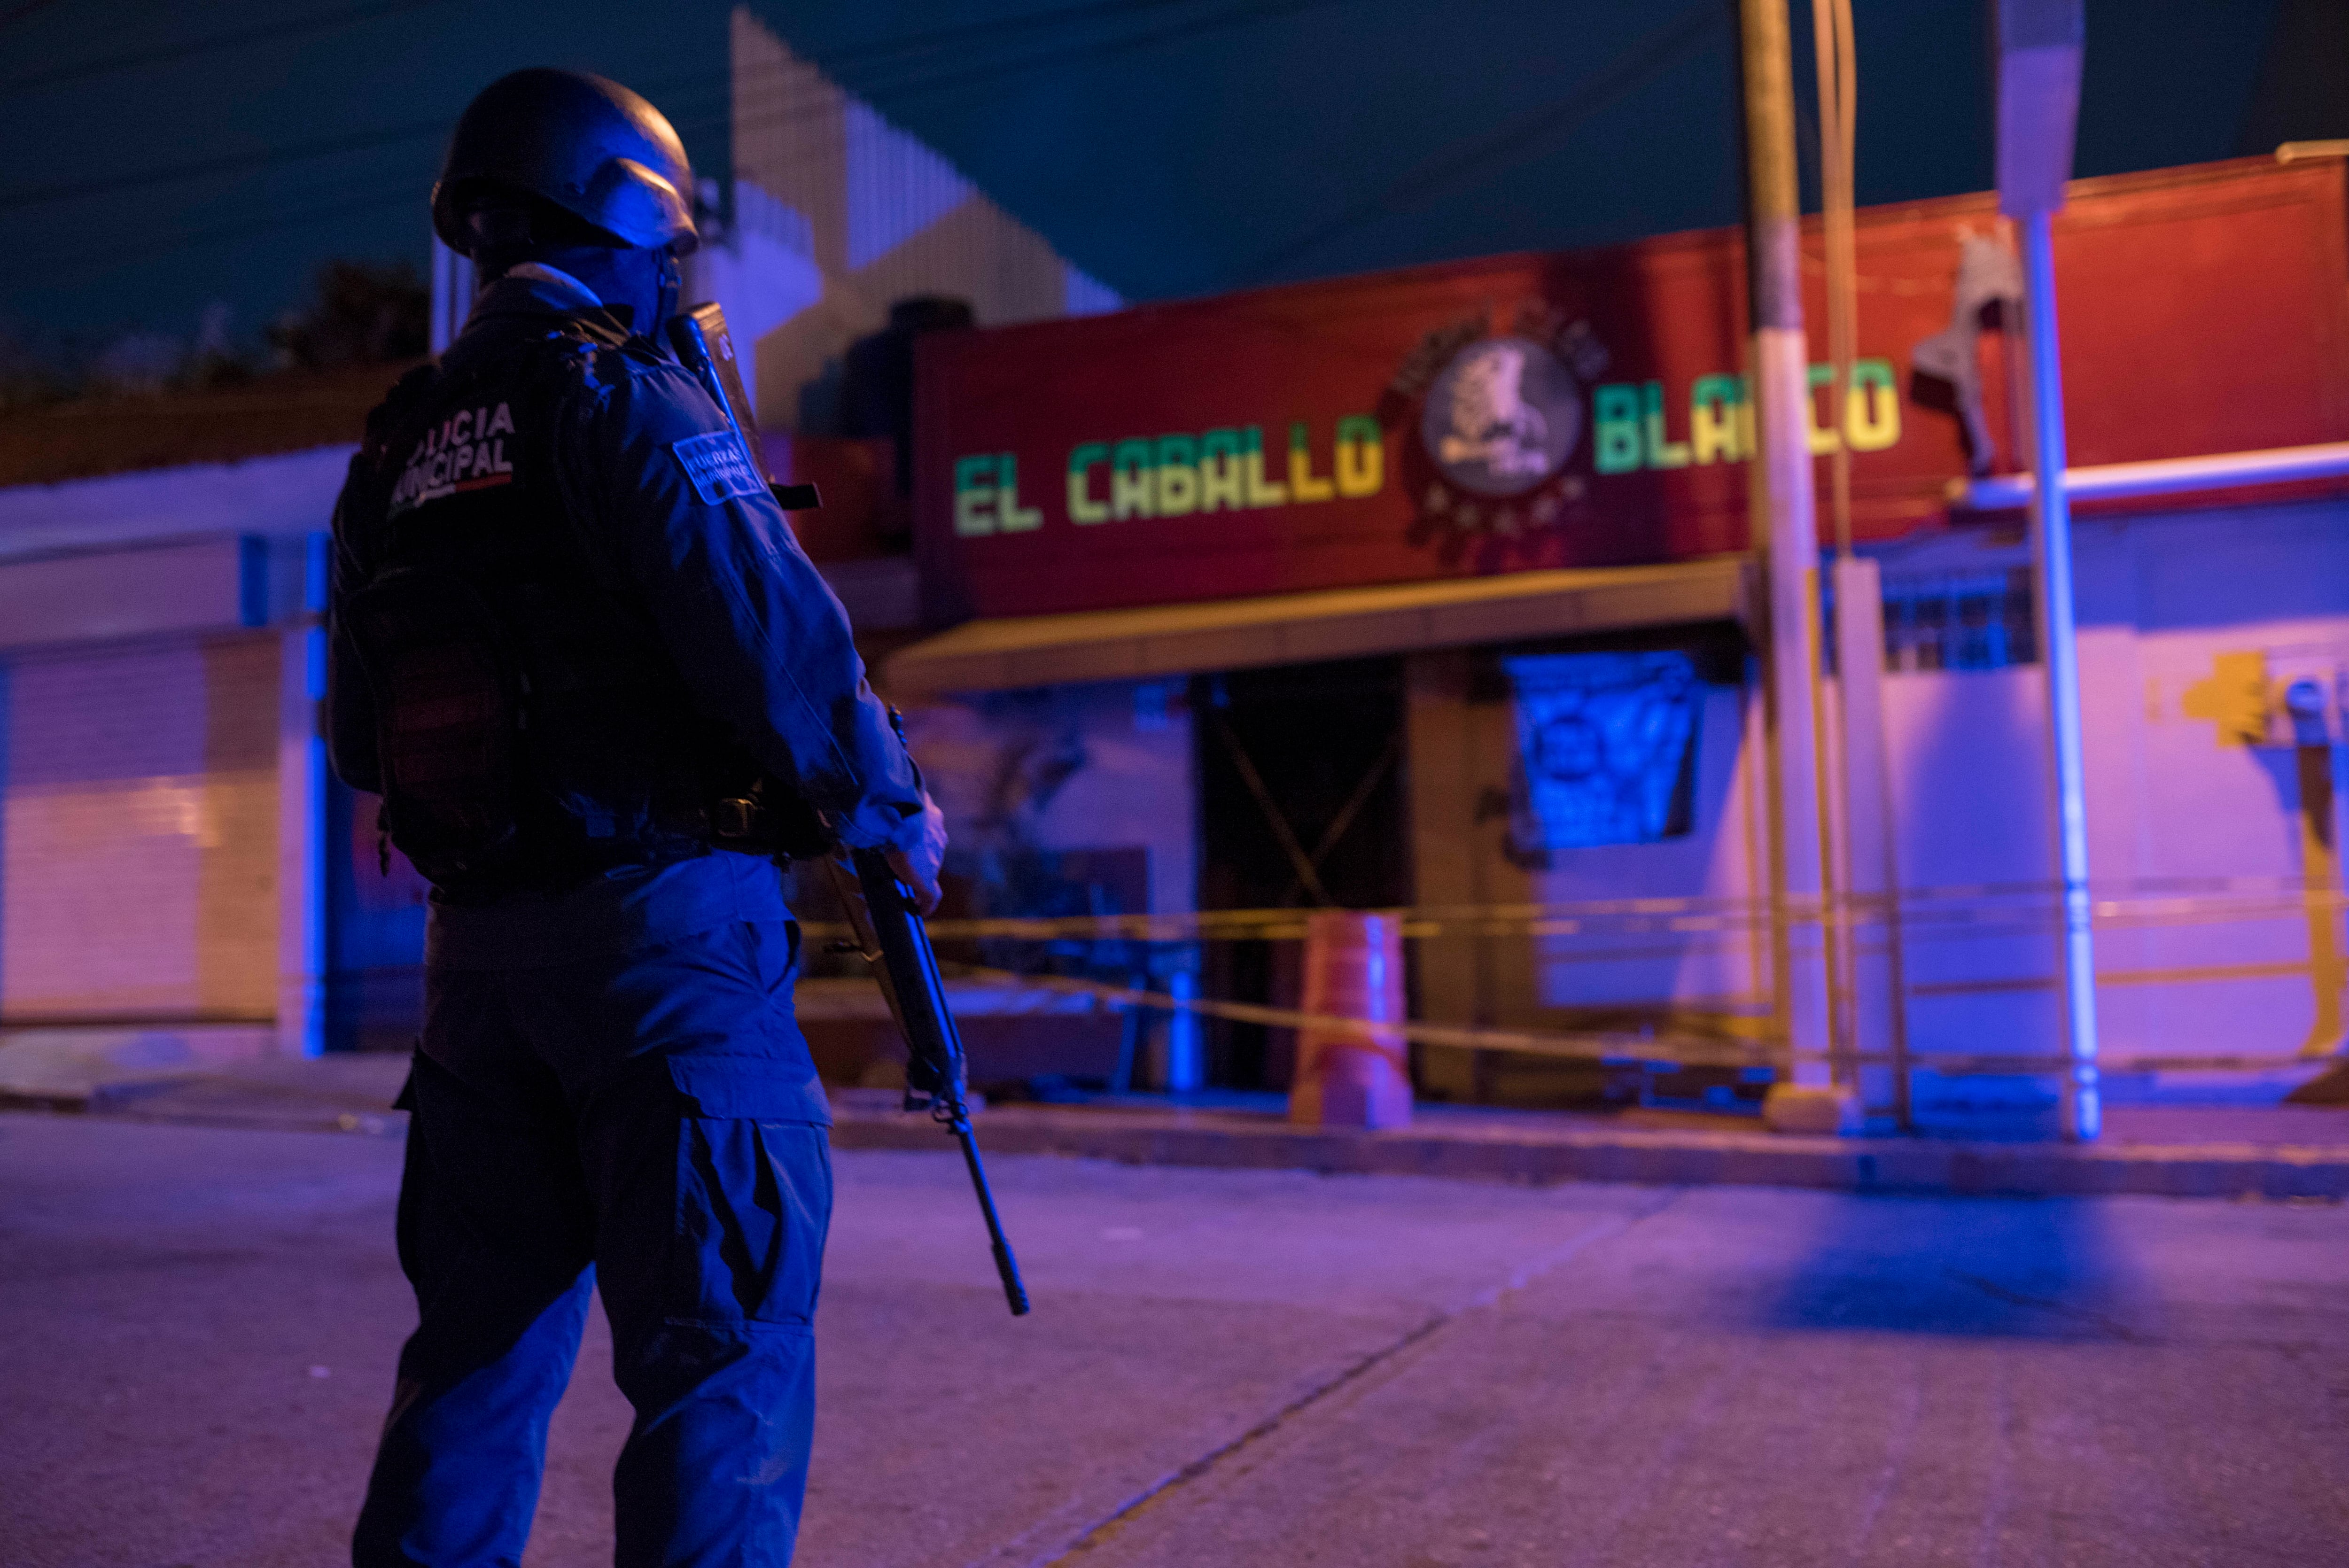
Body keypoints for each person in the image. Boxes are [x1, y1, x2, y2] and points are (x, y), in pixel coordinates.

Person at [329, 68, 945, 1568]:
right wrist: (891, 812)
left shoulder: (397, 446)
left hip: (477, 974)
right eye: (662, 243)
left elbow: (360, 740)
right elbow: (775, 641)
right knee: (717, 1365)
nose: (668, 272)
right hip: (665, 956)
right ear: (621, 216)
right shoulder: (623, 393)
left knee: (471, 1365)